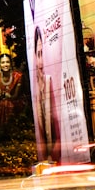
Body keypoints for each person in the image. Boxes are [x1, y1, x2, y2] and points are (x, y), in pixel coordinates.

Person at [32, 27, 61, 163]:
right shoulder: (37, 88)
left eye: (42, 54)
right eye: (37, 55)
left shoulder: (49, 82)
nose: (40, 63)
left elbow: (57, 127)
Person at [0, 53, 23, 126]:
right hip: (2, 100)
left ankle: (12, 127)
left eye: (7, 62)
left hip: (15, 100)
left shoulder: (18, 76)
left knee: (8, 104)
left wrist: (9, 97)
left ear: (11, 64)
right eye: (3, 62)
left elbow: (16, 95)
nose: (5, 65)